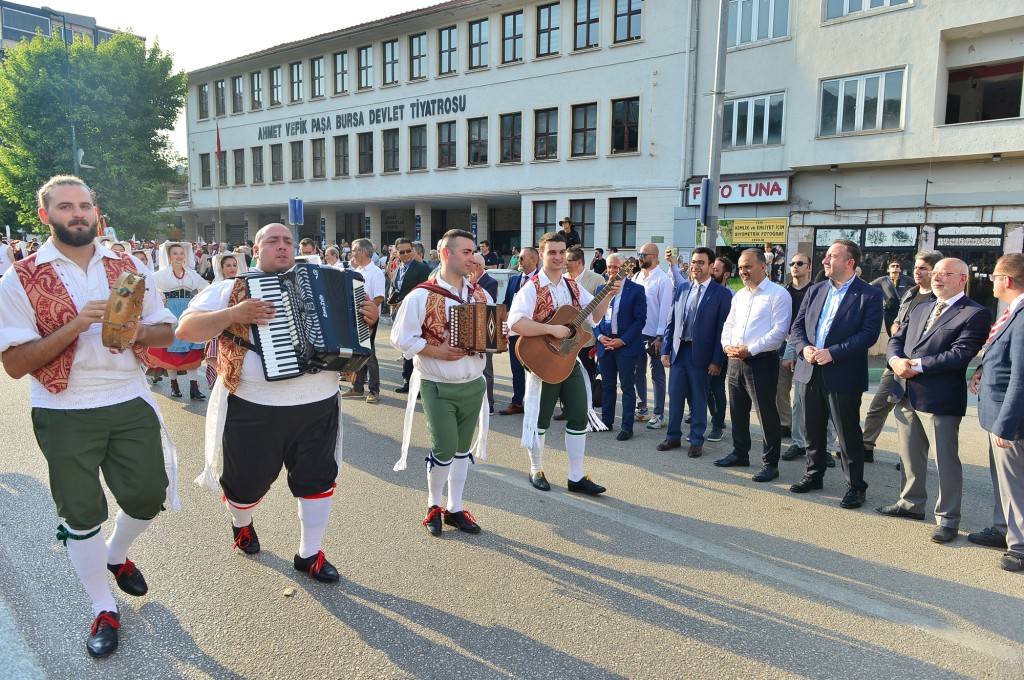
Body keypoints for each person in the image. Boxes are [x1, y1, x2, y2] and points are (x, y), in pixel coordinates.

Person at [0, 175, 179, 657]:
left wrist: (137, 328)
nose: (77, 214)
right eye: (65, 207)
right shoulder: (20, 277)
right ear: (46, 216)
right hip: (63, 407)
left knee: (147, 496)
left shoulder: (129, 264)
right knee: (80, 513)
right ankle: (104, 607)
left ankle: (115, 555)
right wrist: (77, 324)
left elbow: (166, 332)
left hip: (126, 395)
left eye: (84, 206)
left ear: (95, 211)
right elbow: (15, 364)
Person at [177, 223, 379, 583]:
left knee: (317, 480)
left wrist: (368, 320)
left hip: (318, 404)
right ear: (256, 251)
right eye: (272, 241)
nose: (282, 246)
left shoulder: (332, 280)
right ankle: (242, 524)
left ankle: (309, 554)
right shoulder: (228, 288)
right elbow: (186, 329)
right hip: (254, 406)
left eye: (288, 241)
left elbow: (357, 331)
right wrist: (232, 315)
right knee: (244, 485)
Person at [877, 258, 990, 543]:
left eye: (945, 274)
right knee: (910, 455)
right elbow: (896, 338)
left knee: (944, 460)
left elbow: (960, 354)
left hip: (939, 398)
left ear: (963, 279)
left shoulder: (975, 313)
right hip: (905, 390)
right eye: (935, 273)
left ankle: (948, 519)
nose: (937, 278)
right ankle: (911, 503)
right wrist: (894, 360)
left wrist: (913, 365)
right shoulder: (921, 307)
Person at [391, 229, 491, 536]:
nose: (473, 257)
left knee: (462, 450)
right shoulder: (421, 295)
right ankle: (434, 504)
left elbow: (490, 334)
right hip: (437, 384)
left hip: (474, 383)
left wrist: (494, 335)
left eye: (474, 251)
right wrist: (437, 351)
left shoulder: (480, 295)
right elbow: (400, 338)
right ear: (445, 254)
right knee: (445, 447)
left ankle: (455, 508)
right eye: (466, 252)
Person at [508, 232, 615, 494]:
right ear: (541, 255)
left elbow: (595, 318)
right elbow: (515, 323)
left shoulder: (573, 287)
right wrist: (553, 329)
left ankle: (576, 476)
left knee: (579, 415)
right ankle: (536, 468)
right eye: (552, 252)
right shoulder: (531, 287)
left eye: (561, 252)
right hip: (543, 362)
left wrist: (610, 294)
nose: (558, 257)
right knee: (541, 419)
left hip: (569, 360)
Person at [789, 239, 883, 508]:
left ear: (849, 262)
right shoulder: (816, 290)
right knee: (812, 428)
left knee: (847, 433)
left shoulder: (869, 294)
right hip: (810, 370)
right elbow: (798, 326)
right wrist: (803, 347)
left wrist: (834, 352)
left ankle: (855, 486)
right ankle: (813, 474)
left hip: (843, 373)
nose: (824, 261)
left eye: (831, 256)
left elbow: (868, 335)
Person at [716, 249, 791, 481]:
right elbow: (728, 325)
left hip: (761, 362)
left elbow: (779, 331)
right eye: (740, 267)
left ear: (763, 267)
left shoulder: (778, 294)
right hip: (735, 361)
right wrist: (727, 346)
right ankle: (740, 453)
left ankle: (771, 463)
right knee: (737, 411)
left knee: (766, 414)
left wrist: (751, 349)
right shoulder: (739, 295)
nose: (743, 271)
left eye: (747, 266)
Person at [861, 251, 943, 460]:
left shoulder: (940, 300)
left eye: (923, 268)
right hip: (896, 361)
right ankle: (866, 446)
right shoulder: (910, 293)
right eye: (915, 267)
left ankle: (910, 457)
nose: (917, 271)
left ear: (935, 271)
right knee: (878, 405)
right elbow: (898, 320)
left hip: (920, 365)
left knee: (914, 416)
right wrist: (896, 328)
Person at [972, 253, 1024, 570]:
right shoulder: (1011, 311)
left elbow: (1020, 376)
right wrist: (982, 368)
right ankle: (1003, 530)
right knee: (1002, 481)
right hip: (997, 411)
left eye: (993, 276)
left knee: (1014, 483)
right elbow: (1002, 356)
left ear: (1006, 280)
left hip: (1009, 418)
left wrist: (1005, 425)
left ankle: (1019, 548)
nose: (989, 281)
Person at [659, 247, 732, 457]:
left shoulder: (721, 294)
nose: (695, 266)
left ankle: (697, 440)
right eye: (693, 262)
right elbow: (670, 322)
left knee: (699, 398)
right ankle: (673, 437)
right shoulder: (683, 289)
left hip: (702, 355)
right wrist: (666, 349)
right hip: (679, 351)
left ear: (711, 266)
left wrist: (717, 360)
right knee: (674, 396)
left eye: (701, 262)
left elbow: (722, 330)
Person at [147, 242, 209, 400]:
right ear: (169, 256)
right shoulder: (162, 274)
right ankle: (174, 385)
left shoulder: (190, 273)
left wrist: (197, 301)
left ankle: (194, 387)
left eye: (181, 253)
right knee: (172, 349)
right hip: (171, 313)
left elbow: (206, 287)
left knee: (191, 348)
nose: (179, 256)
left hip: (188, 312)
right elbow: (149, 287)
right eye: (175, 253)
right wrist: (161, 299)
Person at [595, 254, 646, 440]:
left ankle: (627, 427)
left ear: (625, 268)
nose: (612, 270)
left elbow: (640, 320)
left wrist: (622, 340)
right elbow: (595, 317)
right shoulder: (601, 289)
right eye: (609, 266)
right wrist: (600, 337)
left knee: (627, 387)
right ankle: (606, 422)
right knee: (608, 385)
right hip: (605, 345)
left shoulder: (636, 290)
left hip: (626, 346)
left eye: (616, 266)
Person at [632, 243, 672, 430]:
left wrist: (660, 336)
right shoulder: (637, 276)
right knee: (637, 372)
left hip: (654, 334)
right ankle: (642, 409)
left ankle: (659, 414)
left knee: (656, 375)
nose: (640, 257)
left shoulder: (663, 280)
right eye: (639, 254)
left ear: (655, 257)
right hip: (636, 332)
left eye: (643, 255)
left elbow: (665, 310)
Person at [778, 252, 813, 458]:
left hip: (806, 349)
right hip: (783, 346)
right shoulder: (784, 292)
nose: (795, 266)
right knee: (781, 390)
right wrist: (786, 338)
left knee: (802, 398)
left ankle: (808, 439)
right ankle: (785, 424)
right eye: (792, 263)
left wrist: (797, 341)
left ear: (808, 267)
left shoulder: (816, 291)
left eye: (800, 263)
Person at [343, 238, 386, 403]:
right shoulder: (357, 270)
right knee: (358, 354)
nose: (351, 253)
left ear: (361, 252)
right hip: (355, 318)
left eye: (353, 250)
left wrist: (369, 315)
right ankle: (357, 388)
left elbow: (380, 297)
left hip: (368, 319)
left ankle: (374, 390)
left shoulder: (375, 272)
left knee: (370, 356)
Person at [498, 246, 539, 416]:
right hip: (515, 332)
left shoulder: (541, 280)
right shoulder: (514, 279)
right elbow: (507, 302)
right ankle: (517, 402)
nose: (518, 261)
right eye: (519, 258)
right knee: (516, 368)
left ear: (534, 260)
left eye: (522, 258)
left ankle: (536, 403)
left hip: (535, 332)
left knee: (535, 369)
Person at [389, 238, 431, 393]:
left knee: (416, 348)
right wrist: (392, 299)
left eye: (408, 250)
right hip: (400, 314)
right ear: (397, 253)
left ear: (413, 250)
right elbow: (396, 287)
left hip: (417, 315)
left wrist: (407, 301)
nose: (406, 254)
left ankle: (420, 386)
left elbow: (427, 289)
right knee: (405, 348)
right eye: (402, 252)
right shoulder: (399, 269)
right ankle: (407, 382)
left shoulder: (422, 268)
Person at [203, 253, 249, 388]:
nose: (232, 268)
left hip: (239, 329)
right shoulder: (216, 285)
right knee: (219, 366)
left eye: (234, 265)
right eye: (228, 266)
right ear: (222, 268)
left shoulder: (243, 283)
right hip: (220, 330)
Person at [707, 256, 734, 440]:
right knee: (704, 388)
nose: (711, 272)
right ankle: (715, 415)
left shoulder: (731, 296)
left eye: (716, 270)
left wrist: (718, 357)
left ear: (726, 274)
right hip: (702, 348)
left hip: (720, 350)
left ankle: (718, 424)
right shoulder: (704, 290)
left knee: (716, 387)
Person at [468, 252, 499, 414]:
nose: (468, 266)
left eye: (471, 263)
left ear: (479, 267)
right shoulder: (466, 281)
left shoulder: (490, 282)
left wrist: (473, 285)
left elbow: (485, 307)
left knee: (486, 369)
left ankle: (490, 403)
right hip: (471, 330)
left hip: (486, 330)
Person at [871, 260, 914, 337]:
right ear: (888, 269)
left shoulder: (906, 279)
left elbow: (919, 285)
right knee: (891, 332)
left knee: (903, 331)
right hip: (889, 310)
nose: (895, 267)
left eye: (897, 266)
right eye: (893, 266)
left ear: (900, 270)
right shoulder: (883, 279)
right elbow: (869, 286)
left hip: (902, 309)